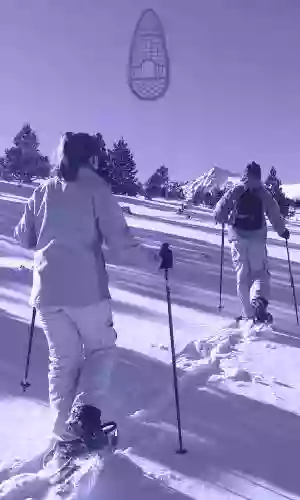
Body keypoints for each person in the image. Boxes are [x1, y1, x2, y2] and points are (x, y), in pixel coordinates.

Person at [14, 132, 162, 464]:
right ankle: (84, 415)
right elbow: (120, 241)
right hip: (86, 290)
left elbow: (23, 237)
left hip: (47, 292)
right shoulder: (97, 188)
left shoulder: (43, 190)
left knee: (62, 362)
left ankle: (66, 436)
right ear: (90, 158)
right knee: (102, 350)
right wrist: (157, 262)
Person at [214, 161, 289, 323]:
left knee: (242, 276)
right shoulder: (263, 193)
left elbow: (218, 211)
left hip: (237, 239)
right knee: (260, 273)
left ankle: (248, 313)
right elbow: (274, 214)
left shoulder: (237, 189)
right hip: (257, 239)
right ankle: (259, 301)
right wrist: (283, 231)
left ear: (245, 174)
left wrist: (224, 219)